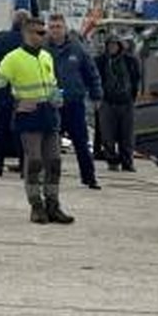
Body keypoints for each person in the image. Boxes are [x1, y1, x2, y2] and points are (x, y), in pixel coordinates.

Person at [0, 16, 73, 224]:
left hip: (49, 116)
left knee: (54, 162)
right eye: (40, 33)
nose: (44, 36)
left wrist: (57, 98)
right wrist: (15, 103)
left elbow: (52, 82)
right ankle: (36, 206)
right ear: (27, 34)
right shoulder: (13, 58)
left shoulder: (46, 56)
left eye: (44, 33)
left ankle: (53, 204)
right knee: (34, 162)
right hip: (29, 118)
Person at [46, 13, 103, 189]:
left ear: (65, 28)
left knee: (81, 143)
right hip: (52, 103)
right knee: (50, 144)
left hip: (74, 102)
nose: (56, 30)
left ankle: (89, 177)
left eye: (58, 26)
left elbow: (91, 73)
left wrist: (96, 94)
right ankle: (49, 176)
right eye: (52, 27)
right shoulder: (43, 50)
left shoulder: (77, 49)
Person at [0, 9, 29, 177]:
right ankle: (23, 166)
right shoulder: (31, 43)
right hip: (23, 92)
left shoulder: (0, 38)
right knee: (22, 131)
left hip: (1, 90)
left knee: (1, 129)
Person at [95, 36, 140, 172]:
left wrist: (133, 97)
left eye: (115, 45)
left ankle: (127, 163)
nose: (112, 48)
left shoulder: (130, 61)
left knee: (127, 135)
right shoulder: (101, 61)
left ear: (120, 46)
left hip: (126, 102)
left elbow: (136, 79)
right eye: (110, 45)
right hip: (107, 101)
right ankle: (112, 160)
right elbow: (95, 79)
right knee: (107, 135)